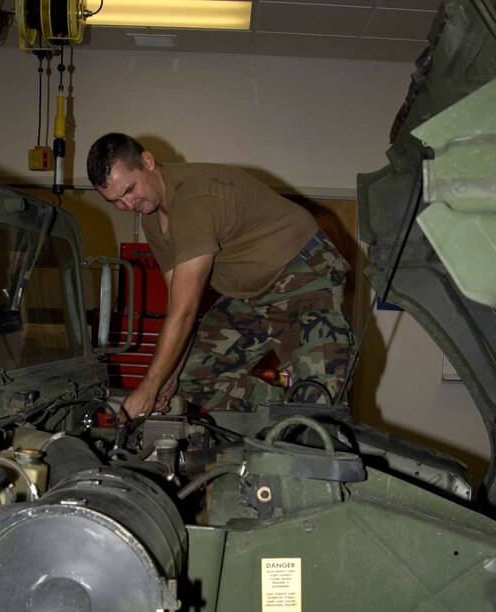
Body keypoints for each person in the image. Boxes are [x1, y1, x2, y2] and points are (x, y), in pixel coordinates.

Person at [87, 133, 353, 422]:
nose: (127, 205)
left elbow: (185, 311)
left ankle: (304, 408)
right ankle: (287, 408)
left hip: (304, 278)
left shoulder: (192, 199)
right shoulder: (152, 218)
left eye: (129, 190)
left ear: (148, 161)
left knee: (321, 403)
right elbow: (178, 302)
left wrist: (149, 388)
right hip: (249, 296)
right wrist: (169, 376)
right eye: (115, 201)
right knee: (192, 378)